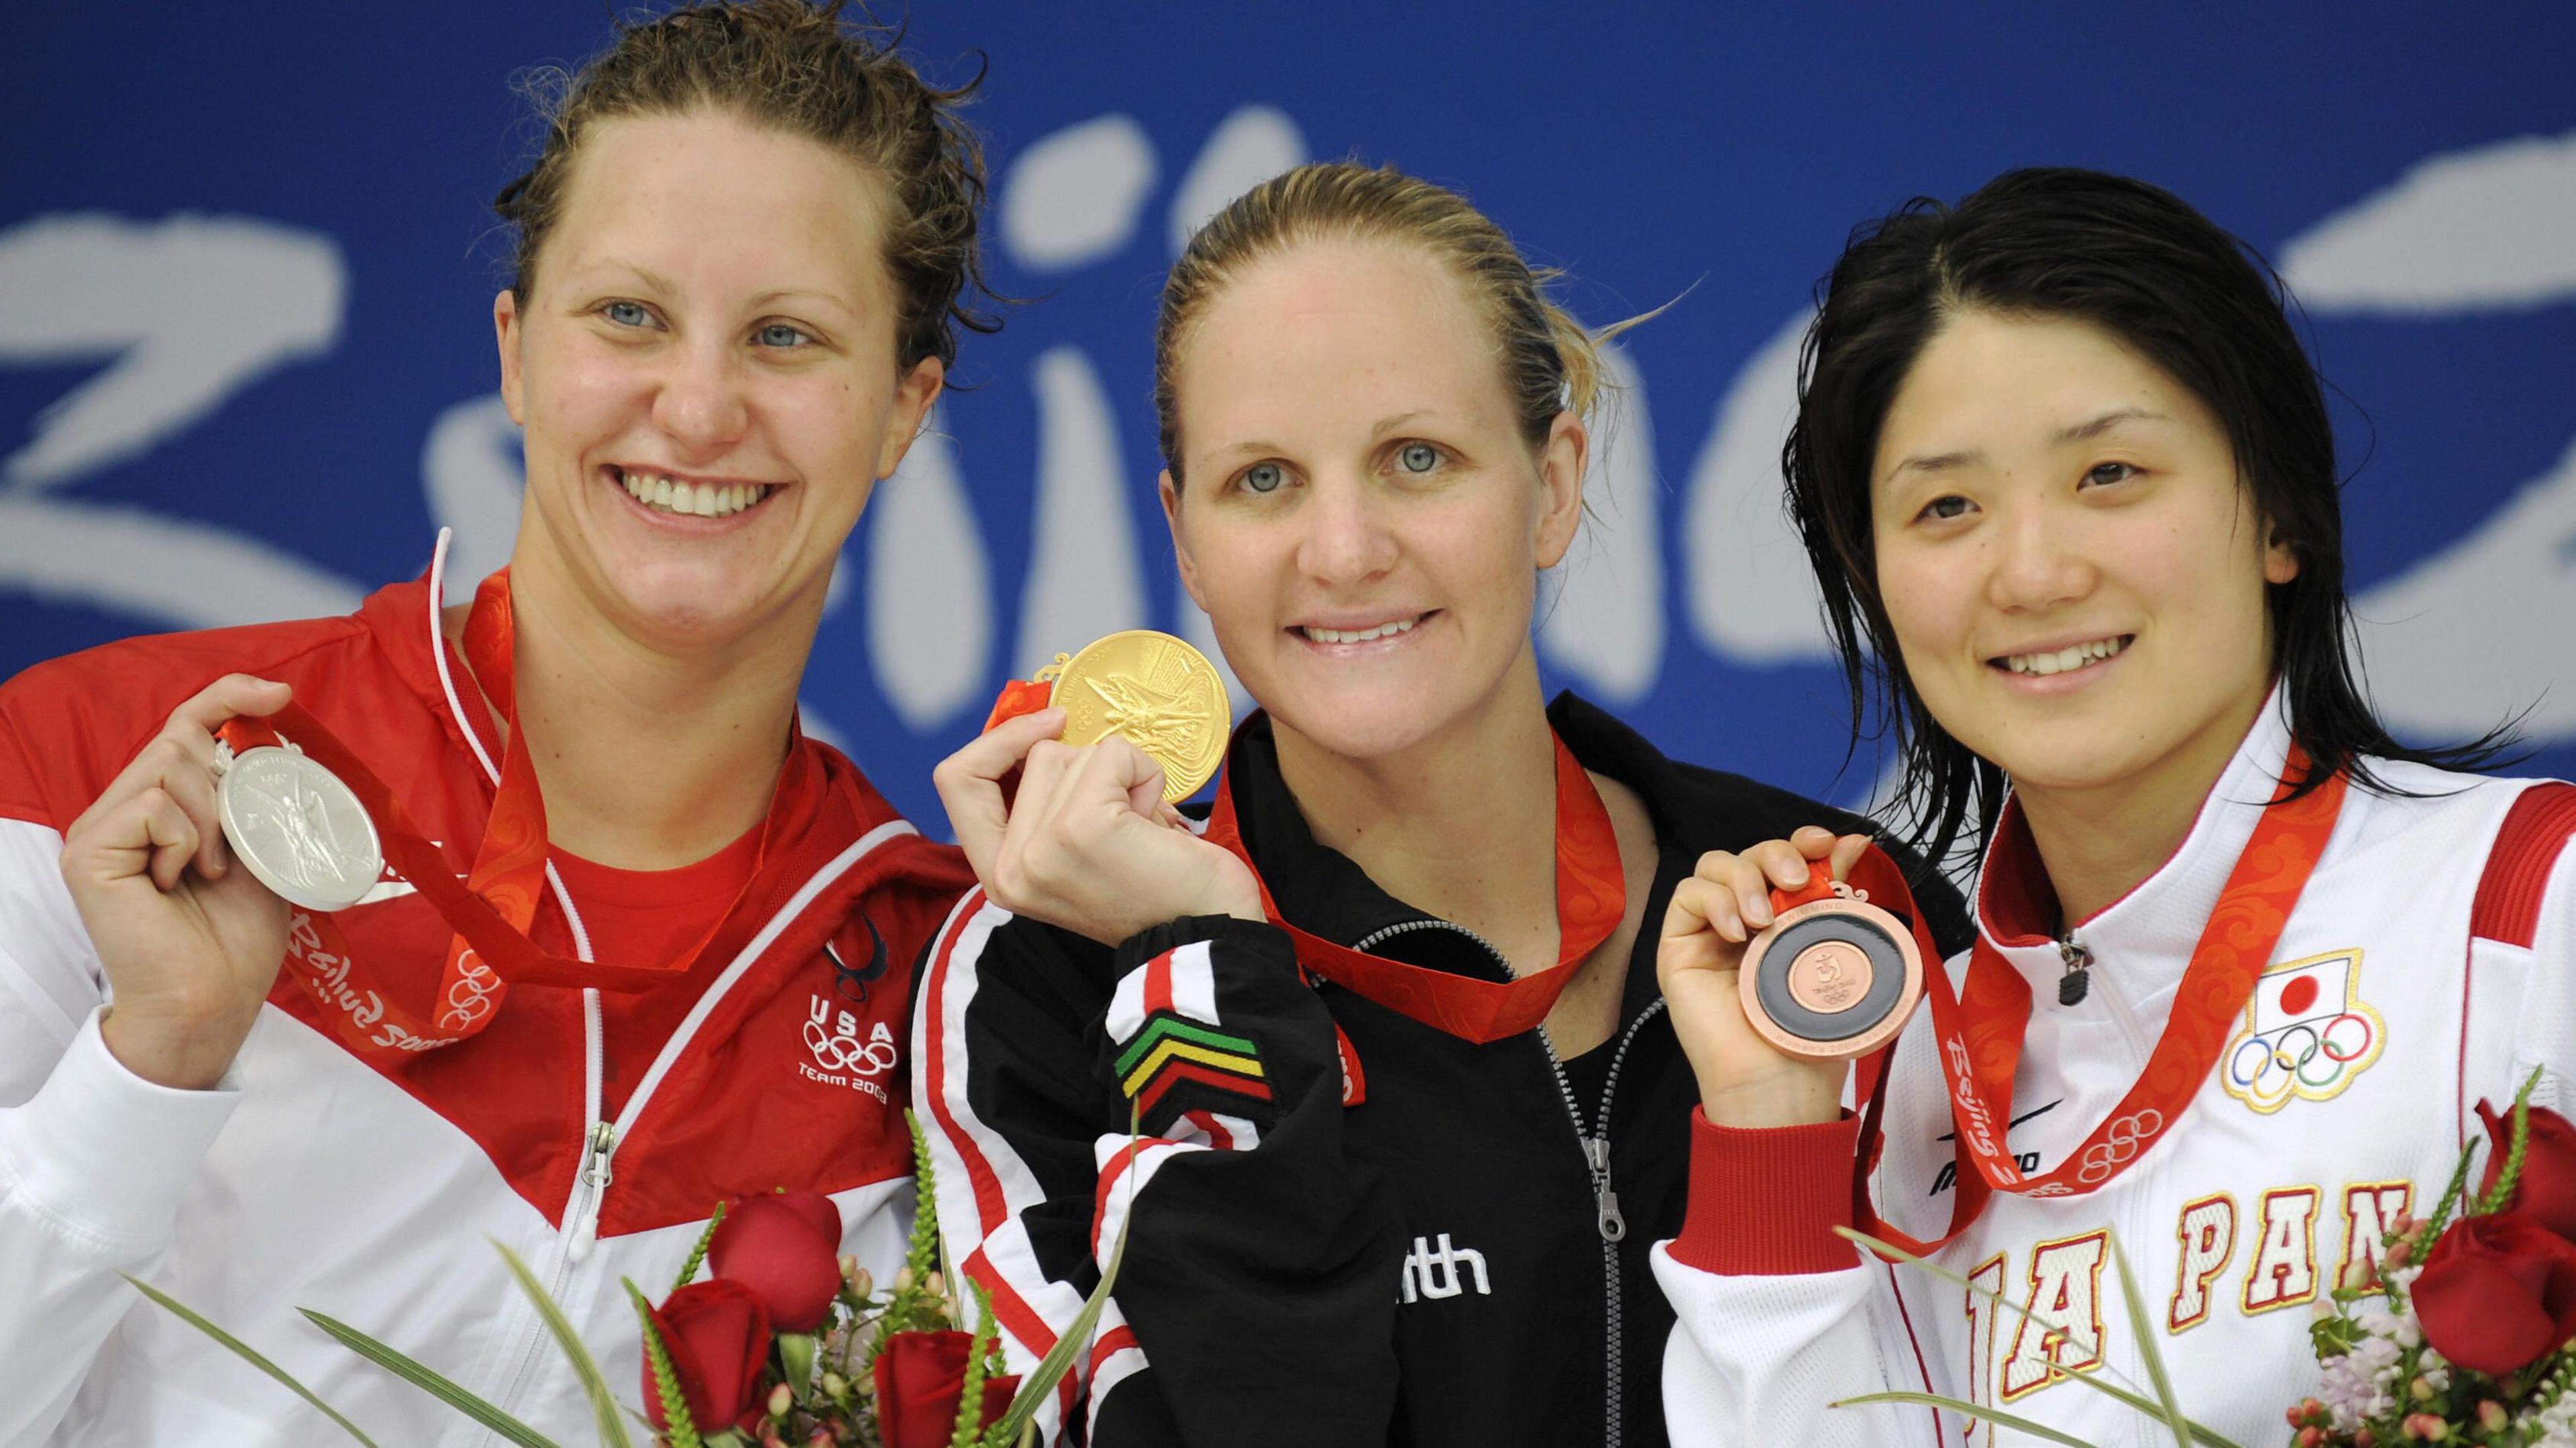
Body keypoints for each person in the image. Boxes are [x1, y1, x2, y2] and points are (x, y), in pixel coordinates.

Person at [0, 3, 995, 1440]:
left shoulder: (937, 987)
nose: (700, 407)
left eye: (786, 337)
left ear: (904, 412)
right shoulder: (105, 770)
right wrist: (152, 1061)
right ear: (519, 352)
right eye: (630, 316)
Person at [913, 161, 1974, 1448]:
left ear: (1555, 481)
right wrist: (1203, 972)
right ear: (1183, 537)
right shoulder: (1046, 983)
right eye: (1263, 480)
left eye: (1418, 458)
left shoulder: (1839, 925)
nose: (1346, 549)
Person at [1648, 168, 2576, 1441]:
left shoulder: (2529, 907)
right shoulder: (1897, 1082)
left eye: (2112, 474)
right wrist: (1768, 1120)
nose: (2032, 571)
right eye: (1949, 507)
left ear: (2281, 517)